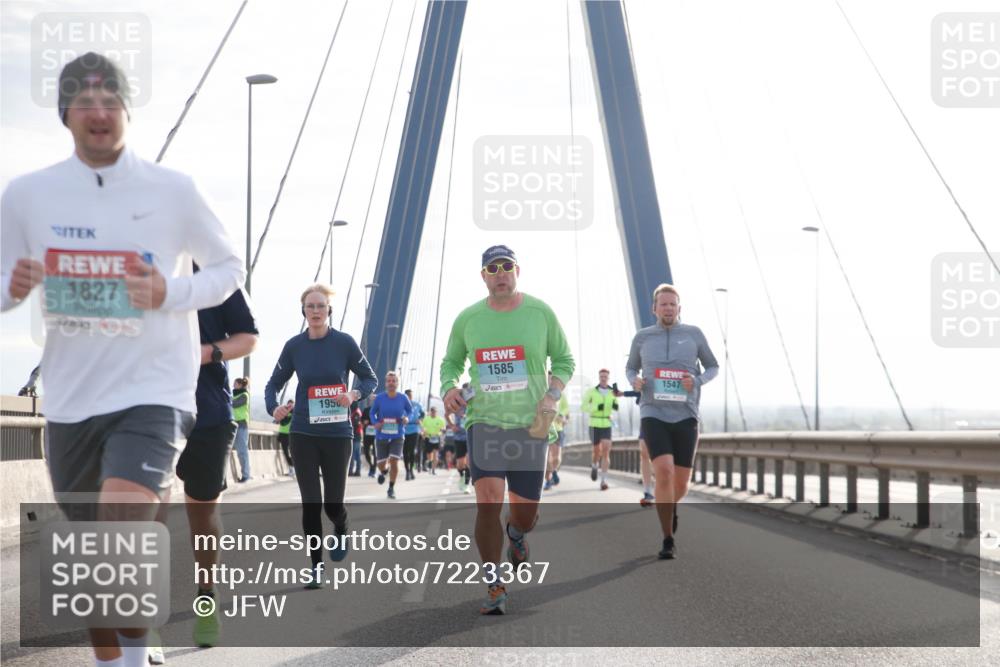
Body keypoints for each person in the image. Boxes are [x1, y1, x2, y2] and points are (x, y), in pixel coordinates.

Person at [0, 52, 243, 666]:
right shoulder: (28, 195)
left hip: (154, 393)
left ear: (128, 110)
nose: (99, 112)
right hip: (72, 400)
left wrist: (171, 292)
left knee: (121, 529)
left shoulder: (173, 190)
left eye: (111, 100)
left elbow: (228, 269)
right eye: (84, 102)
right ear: (65, 115)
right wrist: (12, 287)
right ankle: (121, 655)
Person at [441, 245, 574, 615]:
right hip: (484, 421)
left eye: (506, 266)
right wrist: (449, 388)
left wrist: (552, 394)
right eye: (492, 268)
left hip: (533, 423)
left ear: (518, 270)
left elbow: (565, 360)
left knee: (525, 515)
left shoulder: (541, 312)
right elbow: (451, 362)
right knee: (487, 501)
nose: (500, 273)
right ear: (483, 276)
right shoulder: (468, 318)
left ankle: (516, 534)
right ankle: (494, 584)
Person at [158, 283, 258, 653]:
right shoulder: (131, 259)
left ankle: (206, 594)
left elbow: (248, 338)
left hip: (208, 411)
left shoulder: (214, 269)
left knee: (202, 515)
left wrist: (206, 352)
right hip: (147, 406)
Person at [264, 284, 377, 588]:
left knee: (332, 505)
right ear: (303, 311)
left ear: (329, 311)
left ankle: (342, 525)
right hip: (303, 432)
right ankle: (316, 567)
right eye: (310, 306)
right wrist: (273, 407)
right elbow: (273, 383)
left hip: (338, 434)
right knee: (311, 504)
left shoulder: (344, 343)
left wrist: (353, 394)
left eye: (321, 306)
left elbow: (370, 378)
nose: (315, 311)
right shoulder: (294, 346)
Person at [625, 283, 718, 559]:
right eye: (663, 304)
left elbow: (713, 366)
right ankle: (667, 538)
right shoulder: (642, 337)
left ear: (679, 308)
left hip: (686, 415)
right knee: (663, 471)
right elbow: (631, 367)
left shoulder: (693, 334)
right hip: (653, 412)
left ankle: (670, 506)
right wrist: (634, 380)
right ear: (654, 308)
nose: (668, 308)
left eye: (672, 304)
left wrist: (697, 380)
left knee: (681, 484)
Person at [370, 372, 411, 498]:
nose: (391, 383)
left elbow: (410, 411)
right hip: (381, 435)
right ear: (386, 383)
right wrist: (375, 423)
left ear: (397, 383)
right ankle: (384, 471)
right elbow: (372, 413)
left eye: (394, 381)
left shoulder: (403, 398)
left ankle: (391, 488)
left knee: (394, 460)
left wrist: (407, 418)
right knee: (381, 464)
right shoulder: (380, 398)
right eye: (389, 381)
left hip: (398, 435)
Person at [583, 369, 621, 491]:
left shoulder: (612, 392)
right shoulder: (591, 391)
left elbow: (616, 406)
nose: (603, 378)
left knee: (606, 451)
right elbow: (584, 407)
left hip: (607, 423)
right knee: (596, 451)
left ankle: (604, 480)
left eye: (605, 376)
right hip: (594, 424)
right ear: (599, 377)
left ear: (608, 378)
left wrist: (616, 405)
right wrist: (596, 407)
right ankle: (594, 465)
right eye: (601, 376)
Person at [543, 371, 570, 491]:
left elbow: (566, 411)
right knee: (547, 457)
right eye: (548, 379)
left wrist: (563, 417)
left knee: (557, 457)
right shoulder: (541, 393)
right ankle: (548, 480)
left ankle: (553, 471)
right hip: (544, 428)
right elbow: (539, 409)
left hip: (558, 429)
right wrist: (552, 414)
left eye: (551, 379)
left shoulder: (561, 395)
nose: (550, 381)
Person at [450, 397, 472, 493]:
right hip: (459, 437)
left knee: (468, 461)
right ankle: (462, 476)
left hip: (470, 436)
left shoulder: (473, 405)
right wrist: (452, 425)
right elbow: (447, 414)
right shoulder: (456, 405)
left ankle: (466, 484)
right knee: (460, 464)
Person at [231, 377, 251, 482]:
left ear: (239, 385)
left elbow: (234, 404)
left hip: (242, 425)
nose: (233, 385)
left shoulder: (244, 395)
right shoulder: (233, 395)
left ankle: (246, 475)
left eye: (235, 384)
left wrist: (226, 399)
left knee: (242, 452)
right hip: (232, 424)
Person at [402, 389, 424, 480]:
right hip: (403, 430)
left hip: (414, 429)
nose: (410, 398)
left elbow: (423, 414)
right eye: (408, 396)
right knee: (405, 452)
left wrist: (420, 419)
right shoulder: (401, 404)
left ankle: (411, 470)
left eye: (411, 396)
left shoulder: (417, 404)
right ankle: (407, 471)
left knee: (411, 451)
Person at [421, 406, 447, 474]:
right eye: (432, 412)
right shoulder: (426, 419)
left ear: (436, 412)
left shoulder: (440, 420)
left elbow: (444, 428)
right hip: (428, 437)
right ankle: (430, 464)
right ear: (430, 412)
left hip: (437, 437)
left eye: (435, 412)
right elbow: (423, 428)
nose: (433, 413)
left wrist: (442, 430)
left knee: (436, 455)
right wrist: (423, 433)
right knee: (429, 455)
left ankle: (433, 470)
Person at [276, 400, 295, 477]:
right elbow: (279, 422)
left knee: (293, 453)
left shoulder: (295, 414)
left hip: (291, 435)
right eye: (288, 405)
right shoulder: (283, 413)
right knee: (286, 453)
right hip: (283, 435)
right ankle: (291, 469)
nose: (289, 407)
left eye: (291, 405)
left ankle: (294, 468)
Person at [361, 401, 377, 477]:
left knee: (376, 452)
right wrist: (364, 422)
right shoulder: (366, 410)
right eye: (371, 400)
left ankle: (374, 469)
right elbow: (361, 420)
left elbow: (382, 419)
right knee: (366, 452)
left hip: (376, 434)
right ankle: (371, 466)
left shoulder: (379, 410)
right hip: (367, 434)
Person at [349, 402, 364, 476]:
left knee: (355, 454)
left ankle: (355, 471)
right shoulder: (356, 412)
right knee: (355, 454)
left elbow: (355, 424)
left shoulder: (356, 413)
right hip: (356, 435)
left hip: (356, 436)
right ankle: (354, 470)